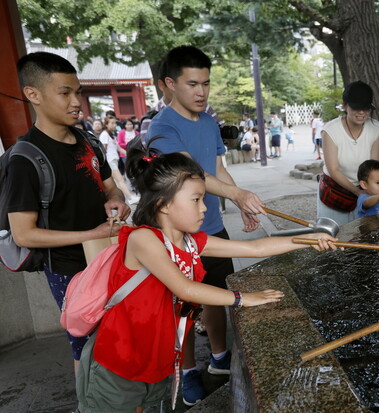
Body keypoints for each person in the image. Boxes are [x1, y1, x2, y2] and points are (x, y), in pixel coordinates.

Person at [75, 145, 340, 413]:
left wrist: (309, 240)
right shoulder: (143, 239)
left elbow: (254, 248)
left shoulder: (191, 242)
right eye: (196, 200)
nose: (204, 208)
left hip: (154, 358)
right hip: (118, 359)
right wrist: (244, 298)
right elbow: (185, 288)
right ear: (163, 204)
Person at [146, 45, 267, 406]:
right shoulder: (162, 126)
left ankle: (218, 358)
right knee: (183, 305)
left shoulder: (210, 122)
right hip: (178, 233)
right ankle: (187, 373)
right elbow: (190, 174)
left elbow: (216, 171)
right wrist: (238, 193)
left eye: (206, 84)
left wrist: (236, 200)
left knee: (217, 295)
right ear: (170, 84)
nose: (201, 92)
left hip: (211, 224)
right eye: (192, 83)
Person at [5, 52, 130, 375]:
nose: (77, 102)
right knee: (86, 346)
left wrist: (115, 199)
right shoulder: (25, 159)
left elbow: (110, 186)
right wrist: (91, 234)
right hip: (67, 268)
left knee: (122, 336)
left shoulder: (88, 141)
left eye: (78, 92)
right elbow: (24, 233)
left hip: (108, 256)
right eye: (65, 93)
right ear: (33, 94)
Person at [318, 80, 379, 225]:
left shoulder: (376, 127)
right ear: (345, 106)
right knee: (333, 238)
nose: (361, 113)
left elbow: (374, 167)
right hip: (335, 191)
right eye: (356, 108)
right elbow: (333, 169)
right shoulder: (331, 130)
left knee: (363, 238)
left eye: (366, 108)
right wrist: (357, 192)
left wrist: (375, 192)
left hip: (364, 189)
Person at [100, 116, 139, 204]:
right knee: (120, 179)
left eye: (115, 123)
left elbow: (118, 148)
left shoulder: (111, 134)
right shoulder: (104, 135)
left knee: (118, 180)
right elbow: (103, 150)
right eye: (112, 123)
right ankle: (130, 197)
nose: (114, 125)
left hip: (114, 160)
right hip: (109, 161)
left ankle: (128, 197)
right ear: (106, 124)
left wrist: (130, 155)